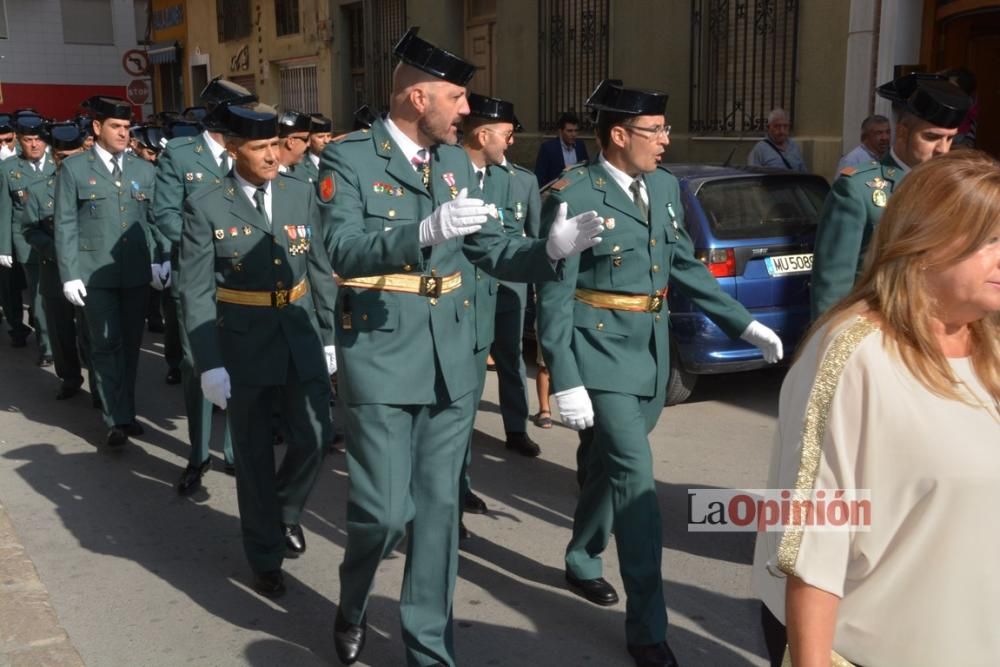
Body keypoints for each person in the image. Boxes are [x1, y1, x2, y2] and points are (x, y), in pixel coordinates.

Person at [319, 27, 603, 667]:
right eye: (455, 97)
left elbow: (491, 247)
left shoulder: (453, 164)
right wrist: (418, 233)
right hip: (383, 351)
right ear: (417, 98)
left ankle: (429, 647)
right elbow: (341, 249)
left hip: (452, 359)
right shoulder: (351, 159)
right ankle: (355, 599)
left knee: (440, 513)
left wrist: (550, 251)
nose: (467, 110)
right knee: (385, 514)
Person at [536, 79, 784, 667]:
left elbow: (683, 264)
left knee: (605, 461)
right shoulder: (573, 193)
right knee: (637, 484)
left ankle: (580, 556)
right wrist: (563, 374)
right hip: (598, 352)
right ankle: (648, 626)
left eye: (665, 129)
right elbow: (554, 295)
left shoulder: (665, 186)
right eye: (655, 131)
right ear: (619, 135)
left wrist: (741, 323)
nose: (666, 141)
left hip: (650, 351)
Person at [752, 149, 1000, 667]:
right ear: (924, 243)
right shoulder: (855, 354)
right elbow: (815, 539)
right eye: (990, 240)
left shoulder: (989, 344)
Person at [178, 103, 339, 599]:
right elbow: (195, 289)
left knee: (316, 436)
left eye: (275, 145)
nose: (272, 156)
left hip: (300, 334)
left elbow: (318, 266)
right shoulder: (206, 204)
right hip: (242, 344)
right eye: (259, 147)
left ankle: (284, 512)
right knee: (251, 457)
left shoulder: (299, 192)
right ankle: (265, 555)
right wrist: (208, 362)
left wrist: (329, 335)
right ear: (232, 148)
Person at [154, 77, 254, 494]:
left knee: (241, 365)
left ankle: (235, 451)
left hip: (242, 279)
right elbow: (165, 214)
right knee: (200, 368)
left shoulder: (248, 152)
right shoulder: (180, 154)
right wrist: (205, 245)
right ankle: (198, 454)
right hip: (198, 279)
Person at [811, 73, 972, 318]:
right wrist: (832, 348)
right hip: (874, 331)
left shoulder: (950, 189)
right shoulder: (858, 189)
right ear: (904, 131)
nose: (942, 149)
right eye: (931, 137)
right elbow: (832, 286)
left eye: (949, 139)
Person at [54, 96, 165, 447]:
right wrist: (70, 273)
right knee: (105, 344)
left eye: (127, 127)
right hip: (94, 273)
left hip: (133, 273)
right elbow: (66, 225)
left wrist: (160, 258)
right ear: (98, 127)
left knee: (130, 345)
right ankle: (115, 419)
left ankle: (124, 410)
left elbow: (154, 221)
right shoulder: (74, 169)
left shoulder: (143, 170)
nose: (123, 133)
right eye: (116, 126)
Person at [456, 93, 542, 528]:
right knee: (466, 382)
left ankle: (515, 428)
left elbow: (532, 235)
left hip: (508, 285)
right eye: (506, 135)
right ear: (483, 132)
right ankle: (459, 476)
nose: (510, 145)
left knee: (510, 358)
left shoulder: (520, 180)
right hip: (467, 285)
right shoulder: (455, 173)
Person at [21, 122, 92, 401]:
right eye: (63, 158)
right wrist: (56, 249)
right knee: (61, 332)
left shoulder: (95, 185)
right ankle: (70, 378)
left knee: (92, 334)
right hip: (55, 270)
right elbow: (29, 229)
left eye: (75, 156)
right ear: (54, 157)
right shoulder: (40, 190)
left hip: (89, 272)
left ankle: (101, 387)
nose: (68, 163)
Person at [0, 113, 45, 350]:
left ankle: (45, 340)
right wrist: (4, 247)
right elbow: (5, 209)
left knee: (39, 293)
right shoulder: (9, 167)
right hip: (14, 238)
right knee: (11, 287)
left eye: (8, 140)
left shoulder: (53, 163)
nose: (4, 146)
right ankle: (18, 327)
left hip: (40, 237)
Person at [534, 111, 588, 186]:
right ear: (560, 131)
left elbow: (586, 169)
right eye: (569, 131)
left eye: (576, 131)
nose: (573, 134)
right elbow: (540, 177)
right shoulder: (548, 148)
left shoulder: (580, 145)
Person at [276, 109, 314, 184]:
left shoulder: (304, 174)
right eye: (306, 139)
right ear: (291, 142)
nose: (308, 144)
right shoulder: (267, 179)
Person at [301, 114, 333, 183]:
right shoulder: (300, 165)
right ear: (308, 140)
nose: (326, 141)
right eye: (320, 137)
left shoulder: (336, 162)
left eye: (329, 136)